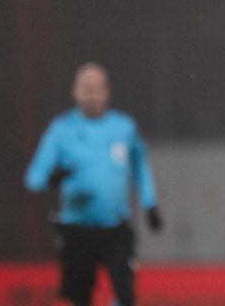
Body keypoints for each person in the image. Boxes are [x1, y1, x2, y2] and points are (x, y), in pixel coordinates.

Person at [24, 62, 163, 306]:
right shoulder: (61, 129)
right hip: (77, 229)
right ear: (74, 92)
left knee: (126, 295)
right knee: (80, 299)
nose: (92, 95)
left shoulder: (124, 127)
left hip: (116, 228)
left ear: (107, 92)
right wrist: (53, 178)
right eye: (86, 89)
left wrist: (150, 204)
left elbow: (140, 165)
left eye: (97, 88)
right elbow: (34, 177)